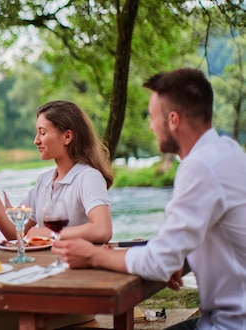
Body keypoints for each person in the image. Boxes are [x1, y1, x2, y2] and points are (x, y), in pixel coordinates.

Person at [53, 68, 246, 330]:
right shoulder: (228, 152)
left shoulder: (199, 167)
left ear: (173, 120)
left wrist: (91, 256)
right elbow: (214, 235)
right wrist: (180, 254)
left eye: (153, 117)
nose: (150, 125)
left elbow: (159, 262)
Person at [0, 100, 114, 330]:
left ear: (67, 136)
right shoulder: (45, 180)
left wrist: (52, 235)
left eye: (42, 132)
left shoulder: (88, 177)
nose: (36, 140)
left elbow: (103, 230)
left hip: (74, 291)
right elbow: (17, 234)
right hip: (39, 281)